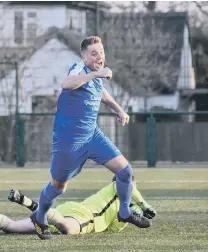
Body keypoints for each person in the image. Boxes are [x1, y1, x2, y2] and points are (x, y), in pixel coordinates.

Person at [31, 36, 151, 240]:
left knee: (125, 172)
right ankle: (40, 217)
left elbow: (103, 94)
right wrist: (95, 74)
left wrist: (119, 110)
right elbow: (66, 83)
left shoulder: (96, 77)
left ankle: (124, 212)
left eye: (102, 52)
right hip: (69, 142)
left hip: (93, 136)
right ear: (84, 57)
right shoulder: (79, 69)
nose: (100, 56)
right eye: (94, 53)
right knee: (58, 186)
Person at [0, 177, 156, 235]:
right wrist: (143, 203)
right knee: (68, 230)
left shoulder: (124, 209)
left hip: (65, 212)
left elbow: (142, 224)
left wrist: (138, 213)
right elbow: (125, 181)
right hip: (83, 217)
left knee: (11, 227)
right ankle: (28, 202)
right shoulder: (116, 187)